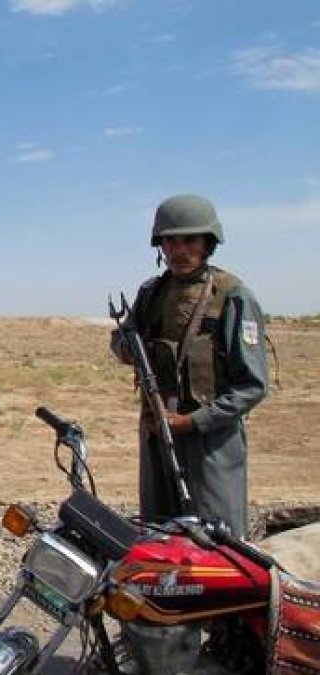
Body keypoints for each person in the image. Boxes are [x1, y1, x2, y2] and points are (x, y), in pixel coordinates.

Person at [110, 194, 269, 674]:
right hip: (159, 438)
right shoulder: (151, 292)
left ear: (208, 242)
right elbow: (123, 341)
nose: (180, 250)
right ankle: (166, 654)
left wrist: (193, 421)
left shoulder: (232, 295)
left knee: (219, 552)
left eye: (190, 240)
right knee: (161, 549)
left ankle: (235, 651)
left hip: (210, 445)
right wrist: (125, 346)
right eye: (171, 240)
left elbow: (252, 385)